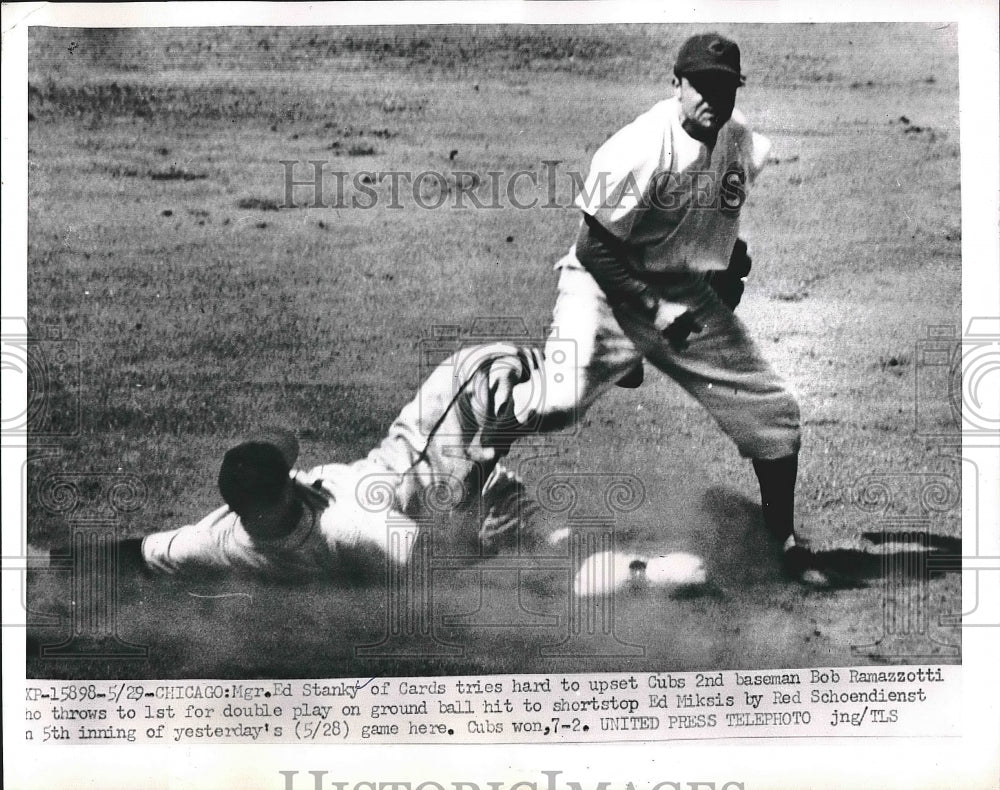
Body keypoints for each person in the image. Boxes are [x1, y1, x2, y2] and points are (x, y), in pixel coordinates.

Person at [514, 32, 826, 585]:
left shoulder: (740, 141)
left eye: (724, 88)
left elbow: (716, 217)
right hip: (604, 288)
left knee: (773, 411)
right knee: (553, 404)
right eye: (700, 86)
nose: (712, 98)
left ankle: (782, 541)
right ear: (676, 84)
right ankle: (485, 425)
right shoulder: (638, 147)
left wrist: (724, 269)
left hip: (682, 293)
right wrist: (653, 309)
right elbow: (593, 248)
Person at [111, 344, 544, 582]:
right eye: (288, 473)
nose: (296, 473)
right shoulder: (350, 521)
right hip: (447, 486)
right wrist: (483, 544)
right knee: (486, 368)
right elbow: (428, 560)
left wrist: (60, 562)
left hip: (408, 512)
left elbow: (139, 553)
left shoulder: (220, 540)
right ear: (286, 489)